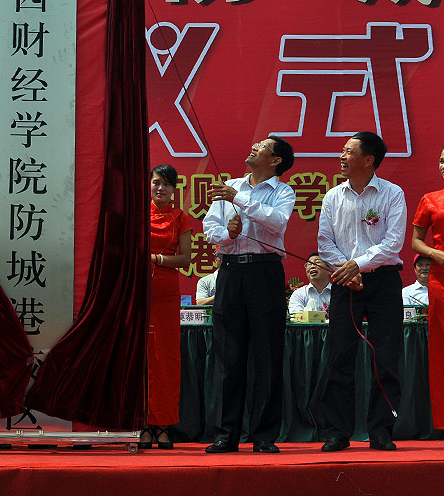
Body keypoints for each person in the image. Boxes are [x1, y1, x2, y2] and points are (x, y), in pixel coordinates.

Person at [202, 135, 296, 454]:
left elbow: (277, 223)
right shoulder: (231, 185)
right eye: (254, 143)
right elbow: (210, 227)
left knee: (267, 354)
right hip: (230, 271)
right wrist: (226, 235)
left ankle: (263, 435)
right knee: (228, 354)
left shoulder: (283, 191)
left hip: (265, 271)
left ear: (275, 161)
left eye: (263, 147)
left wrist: (239, 200)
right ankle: (225, 434)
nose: (254, 146)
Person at [317, 131, 406, 452]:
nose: (341, 157)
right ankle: (336, 432)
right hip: (344, 283)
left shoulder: (392, 194)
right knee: (339, 356)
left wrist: (357, 265)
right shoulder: (332, 196)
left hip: (383, 281)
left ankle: (381, 430)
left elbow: (393, 242)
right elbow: (324, 242)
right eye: (342, 151)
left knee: (385, 357)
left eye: (348, 151)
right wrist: (346, 270)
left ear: (368, 160)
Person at [142, 164, 192, 450]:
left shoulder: (181, 218)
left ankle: (163, 425)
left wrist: (157, 259)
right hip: (140, 293)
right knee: (143, 357)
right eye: (156, 183)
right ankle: (143, 423)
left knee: (166, 359)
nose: (161, 189)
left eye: (167, 185)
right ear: (149, 185)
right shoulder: (137, 215)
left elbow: (185, 260)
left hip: (167, 295)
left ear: (175, 190)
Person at [411, 141, 444, 448]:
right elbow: (416, 242)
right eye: (441, 161)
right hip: (443, 282)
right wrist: (436, 256)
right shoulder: (431, 199)